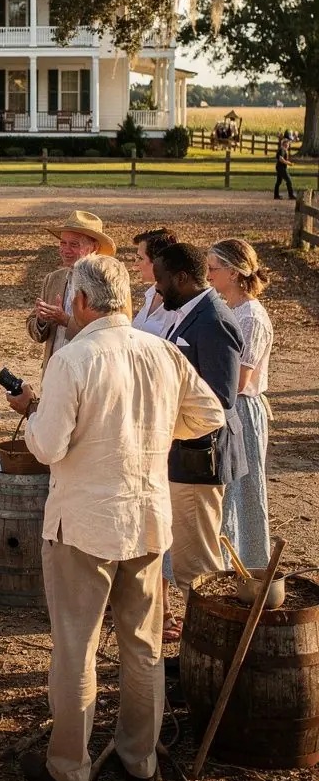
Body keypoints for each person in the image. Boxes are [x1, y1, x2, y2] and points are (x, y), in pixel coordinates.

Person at [7, 256, 223, 781]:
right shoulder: (163, 352)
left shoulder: (73, 359)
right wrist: (154, 434)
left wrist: (31, 416)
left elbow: (48, 446)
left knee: (75, 647)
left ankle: (70, 767)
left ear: (81, 302)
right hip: (147, 517)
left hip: (82, 521)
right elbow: (211, 415)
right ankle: (139, 758)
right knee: (144, 645)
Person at [153, 243, 247, 598]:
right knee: (186, 559)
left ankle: (209, 650)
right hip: (186, 453)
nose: (156, 287)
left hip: (200, 458)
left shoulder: (213, 320)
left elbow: (221, 399)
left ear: (182, 277)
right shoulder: (189, 311)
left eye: (161, 279)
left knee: (198, 564)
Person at [206, 238, 274, 570]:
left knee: (243, 489)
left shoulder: (251, 316)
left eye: (213, 269)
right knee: (224, 490)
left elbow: (240, 381)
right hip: (227, 407)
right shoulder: (230, 308)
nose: (208, 275)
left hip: (242, 410)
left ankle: (250, 567)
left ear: (233, 272)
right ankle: (224, 564)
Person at [130, 226, 181, 641]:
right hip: (138, 406)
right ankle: (144, 600)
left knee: (160, 509)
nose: (136, 264)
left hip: (160, 411)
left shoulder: (173, 307)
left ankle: (163, 609)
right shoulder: (148, 297)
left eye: (142, 259)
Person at [26, 209, 117, 374]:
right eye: (63, 243)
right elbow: (35, 331)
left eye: (74, 244)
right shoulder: (53, 279)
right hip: (54, 371)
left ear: (94, 247)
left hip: (90, 373)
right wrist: (41, 319)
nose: (65, 250)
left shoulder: (107, 283)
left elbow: (110, 334)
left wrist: (65, 320)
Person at [130, 228, 178, 337]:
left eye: (140, 258)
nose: (135, 266)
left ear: (158, 262)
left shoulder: (179, 306)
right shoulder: (151, 294)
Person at [274, 134, 295, 200]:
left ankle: (276, 195)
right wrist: (288, 163)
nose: (288, 145)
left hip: (279, 167)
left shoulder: (281, 149)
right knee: (289, 180)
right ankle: (291, 195)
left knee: (279, 182)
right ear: (284, 144)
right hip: (281, 168)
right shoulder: (282, 150)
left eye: (288, 144)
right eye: (287, 144)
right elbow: (281, 159)